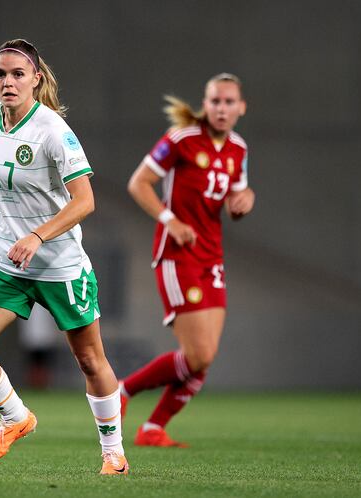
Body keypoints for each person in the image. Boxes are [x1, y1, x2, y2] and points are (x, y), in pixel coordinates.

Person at [0, 39, 129, 475]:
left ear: (36, 79)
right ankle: (15, 417)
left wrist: (37, 235)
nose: (7, 82)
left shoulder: (53, 131)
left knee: (90, 360)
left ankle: (114, 454)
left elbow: (84, 201)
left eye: (16, 74)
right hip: (6, 257)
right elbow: (0, 158)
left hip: (58, 263)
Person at [120, 73, 256, 447]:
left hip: (212, 256)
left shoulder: (238, 150)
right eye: (215, 101)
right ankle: (122, 392)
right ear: (205, 104)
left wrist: (244, 203)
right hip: (176, 254)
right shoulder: (181, 140)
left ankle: (152, 429)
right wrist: (171, 220)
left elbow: (234, 201)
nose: (222, 108)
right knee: (198, 353)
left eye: (229, 102)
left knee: (203, 358)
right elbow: (138, 183)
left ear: (241, 108)